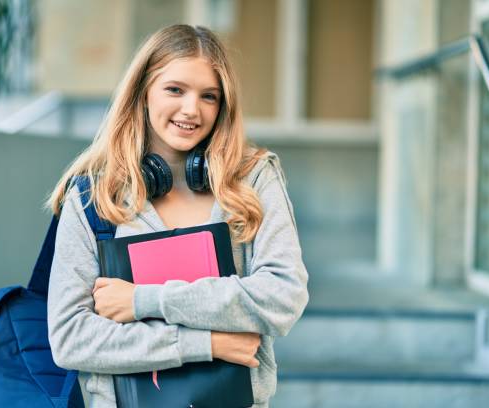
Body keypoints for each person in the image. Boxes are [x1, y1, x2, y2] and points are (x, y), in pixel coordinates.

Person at [46, 24, 309, 407]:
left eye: (209, 96)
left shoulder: (252, 178)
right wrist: (207, 343)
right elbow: (71, 339)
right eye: (175, 89)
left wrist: (143, 301)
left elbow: (283, 296)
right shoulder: (93, 196)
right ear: (144, 92)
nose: (191, 109)